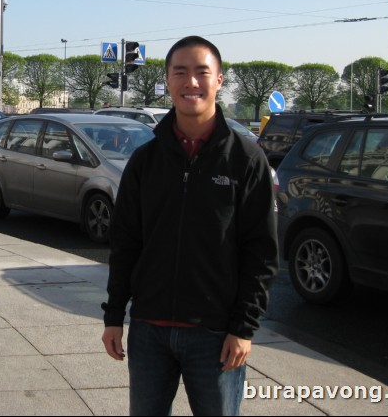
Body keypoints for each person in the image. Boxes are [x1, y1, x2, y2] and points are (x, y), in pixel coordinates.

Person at [101, 35, 278, 416]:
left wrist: (244, 327)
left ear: (219, 80)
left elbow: (260, 252)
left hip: (216, 334)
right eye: (180, 73)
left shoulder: (246, 160)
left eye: (202, 72)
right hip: (149, 330)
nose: (191, 82)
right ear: (168, 81)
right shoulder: (146, 161)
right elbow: (125, 243)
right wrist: (114, 316)